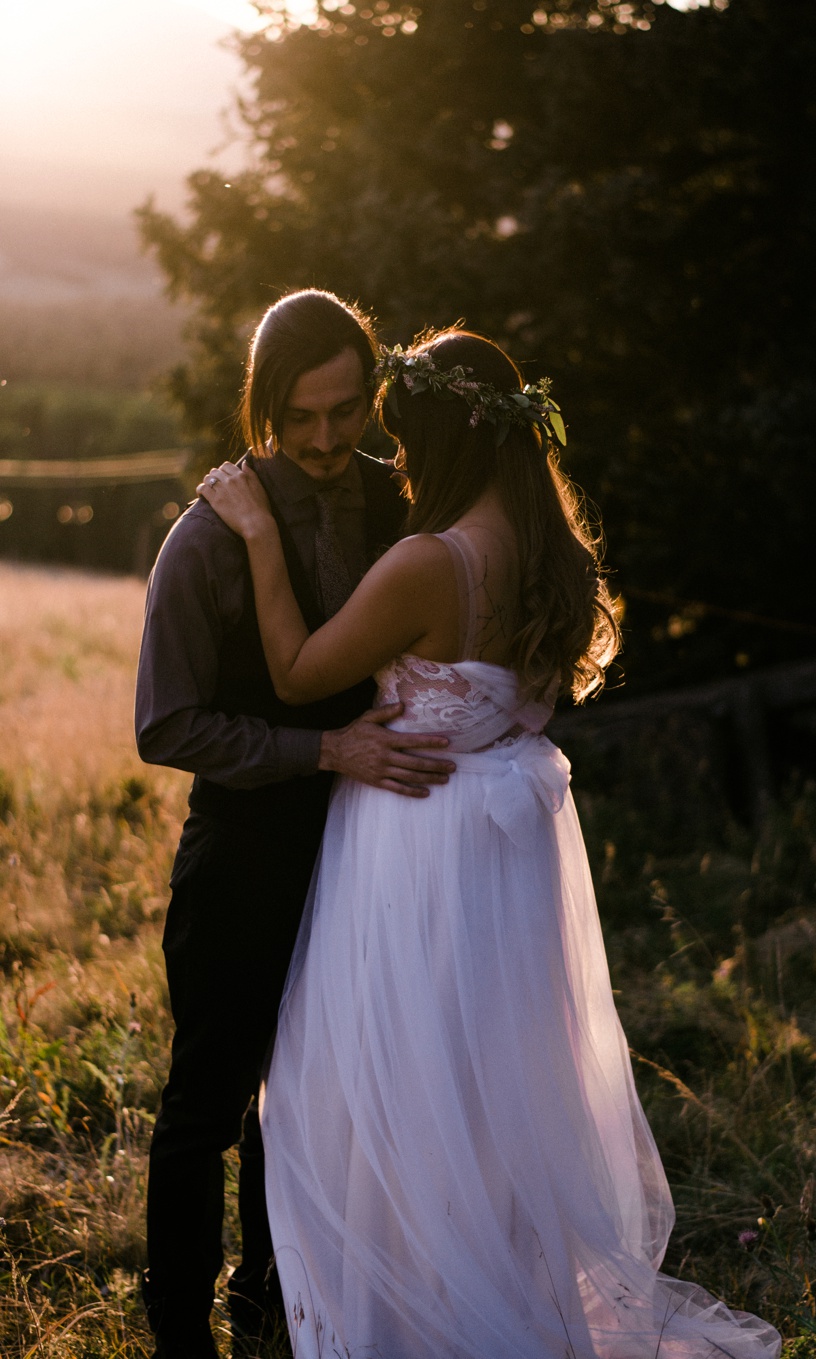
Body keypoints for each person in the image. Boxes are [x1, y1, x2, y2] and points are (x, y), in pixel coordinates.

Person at [198, 329, 782, 1358]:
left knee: (405, 1080)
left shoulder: (431, 562)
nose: (401, 465)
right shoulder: (551, 545)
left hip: (418, 848)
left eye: (406, 442)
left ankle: (420, 1312)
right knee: (490, 1084)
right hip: (507, 851)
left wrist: (253, 532)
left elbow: (294, 674)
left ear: (445, 441)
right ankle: (511, 1288)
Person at [134, 289, 455, 1359]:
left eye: (347, 412)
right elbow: (166, 722)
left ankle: (277, 1313)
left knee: (316, 1103)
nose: (324, 441)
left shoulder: (402, 503)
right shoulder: (207, 537)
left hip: (373, 855)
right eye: (300, 417)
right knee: (207, 1110)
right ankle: (179, 1333)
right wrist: (322, 749)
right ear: (264, 405)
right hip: (243, 858)